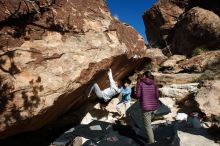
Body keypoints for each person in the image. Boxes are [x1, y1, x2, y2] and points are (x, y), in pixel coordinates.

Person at [136, 71, 159, 144]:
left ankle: (151, 142)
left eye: (143, 75)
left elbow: (138, 95)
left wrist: (137, 84)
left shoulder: (141, 83)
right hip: (154, 107)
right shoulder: (154, 83)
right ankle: (152, 138)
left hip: (146, 108)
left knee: (148, 126)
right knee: (149, 123)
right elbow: (157, 96)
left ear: (145, 76)